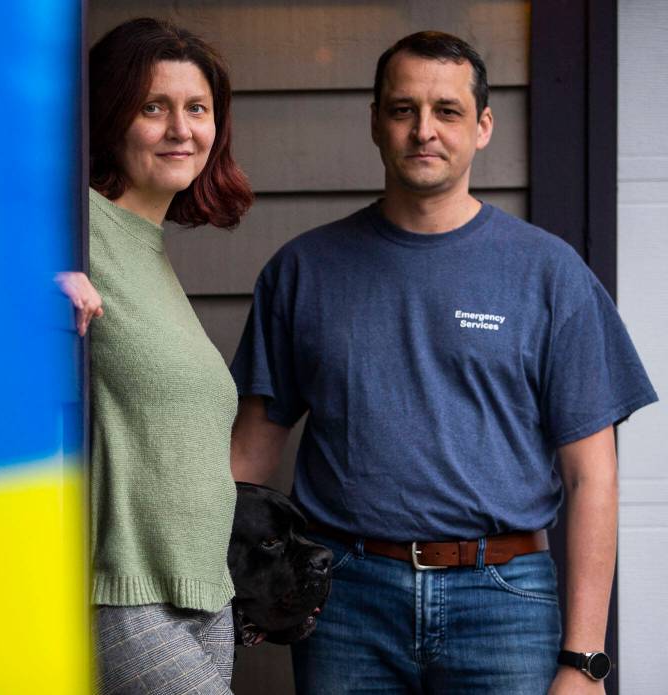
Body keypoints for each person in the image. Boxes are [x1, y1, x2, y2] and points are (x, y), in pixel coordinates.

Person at [229, 31, 657, 694]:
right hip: (345, 597)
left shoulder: (548, 273)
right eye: (402, 110)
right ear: (375, 121)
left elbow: (592, 476)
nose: (423, 130)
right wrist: (196, 595)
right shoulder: (302, 271)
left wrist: (585, 660)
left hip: (504, 599)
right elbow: (248, 462)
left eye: (447, 111)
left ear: (483, 126)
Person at [61, 17, 253, 694]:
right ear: (112, 116)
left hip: (205, 593)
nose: (181, 129)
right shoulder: (71, 224)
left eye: (196, 108)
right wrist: (32, 283)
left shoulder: (147, 248)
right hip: (122, 590)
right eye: (154, 108)